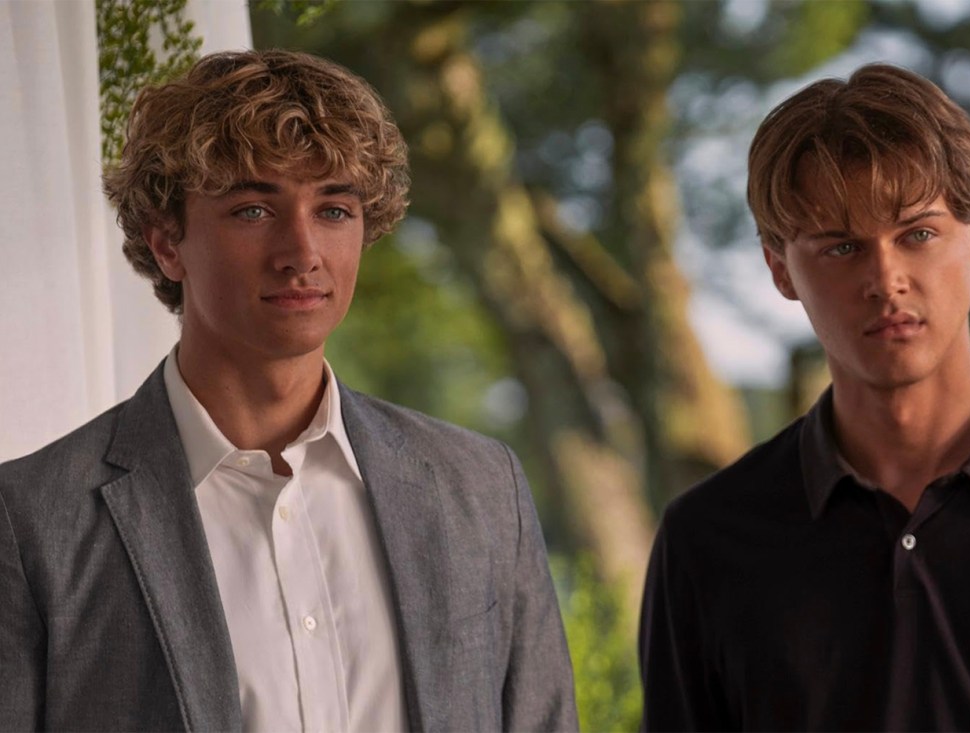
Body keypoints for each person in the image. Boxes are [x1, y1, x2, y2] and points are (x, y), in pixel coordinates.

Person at [0, 49, 576, 732]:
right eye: (251, 209)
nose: (301, 250)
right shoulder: (32, 519)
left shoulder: (481, 488)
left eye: (334, 209)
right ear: (166, 243)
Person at [639, 63, 970, 730]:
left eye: (917, 233)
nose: (885, 280)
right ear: (779, 269)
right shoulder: (706, 542)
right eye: (841, 247)